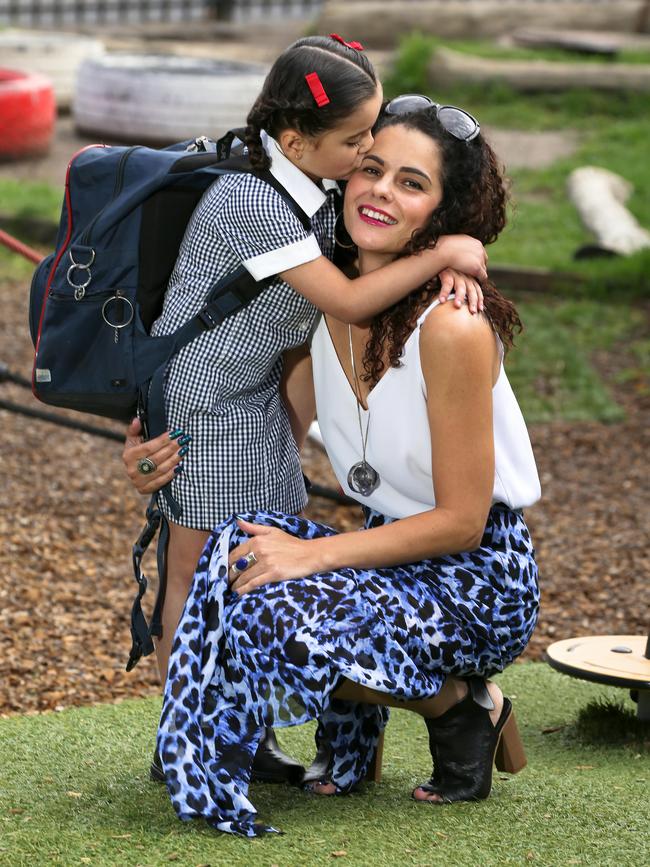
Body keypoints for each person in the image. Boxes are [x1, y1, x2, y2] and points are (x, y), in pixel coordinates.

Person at [138, 95, 541, 837]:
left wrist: (313, 552)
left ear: (442, 217)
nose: (382, 191)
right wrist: (165, 453)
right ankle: (251, 745)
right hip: (390, 552)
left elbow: (459, 521)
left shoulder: (451, 326)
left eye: (412, 183)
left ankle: (462, 706)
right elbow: (262, 431)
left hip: (477, 576)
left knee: (278, 599)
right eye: (372, 169)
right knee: (236, 552)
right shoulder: (322, 305)